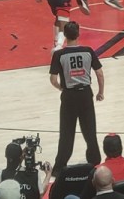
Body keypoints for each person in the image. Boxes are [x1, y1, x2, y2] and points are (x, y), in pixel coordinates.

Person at [49, 21, 104, 173]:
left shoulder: (59, 55)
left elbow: (53, 80)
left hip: (69, 97)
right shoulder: (88, 51)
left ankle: (59, 168)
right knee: (90, 131)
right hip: (86, 95)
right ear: (78, 34)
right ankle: (95, 162)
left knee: (66, 133)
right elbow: (99, 73)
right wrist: (101, 92)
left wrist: (63, 88)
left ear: (65, 36)